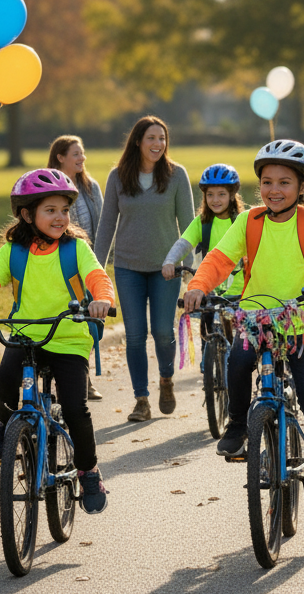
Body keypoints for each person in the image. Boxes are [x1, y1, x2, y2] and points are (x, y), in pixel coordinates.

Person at [184, 140, 304, 513]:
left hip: (301, 321)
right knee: (238, 360)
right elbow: (218, 260)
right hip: (256, 317)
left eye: (285, 183)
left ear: (303, 187)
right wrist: (198, 286)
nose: (274, 190)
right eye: (267, 182)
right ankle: (238, 425)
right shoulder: (249, 221)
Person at [0, 169, 113, 514]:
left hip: (68, 337)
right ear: (27, 214)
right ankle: (6, 425)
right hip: (26, 334)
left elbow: (97, 276)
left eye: (64, 210)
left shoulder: (75, 248)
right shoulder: (15, 252)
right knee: (5, 379)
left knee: (75, 408)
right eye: (50, 210)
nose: (60, 217)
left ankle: (89, 470)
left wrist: (102, 300)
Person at [94, 117, 194, 423]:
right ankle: (141, 399)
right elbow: (107, 225)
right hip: (127, 267)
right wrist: (96, 271)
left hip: (166, 269)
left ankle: (166, 379)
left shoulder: (177, 176)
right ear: (138, 141)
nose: (158, 144)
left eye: (162, 138)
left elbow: (190, 224)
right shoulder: (118, 176)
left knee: (163, 332)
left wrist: (189, 268)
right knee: (135, 335)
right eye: (151, 138)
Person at [48, 135, 104, 401]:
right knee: (61, 318)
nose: (81, 158)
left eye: (82, 154)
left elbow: (102, 226)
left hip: (86, 261)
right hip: (58, 263)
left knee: (87, 322)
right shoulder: (48, 186)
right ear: (60, 157)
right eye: (75, 154)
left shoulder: (91, 186)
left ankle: (83, 376)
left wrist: (98, 260)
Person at [162, 164, 245, 296]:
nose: (215, 200)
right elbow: (183, 244)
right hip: (208, 293)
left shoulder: (242, 221)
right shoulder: (202, 223)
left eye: (221, 194)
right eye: (210, 194)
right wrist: (170, 261)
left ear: (231, 195)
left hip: (241, 294)